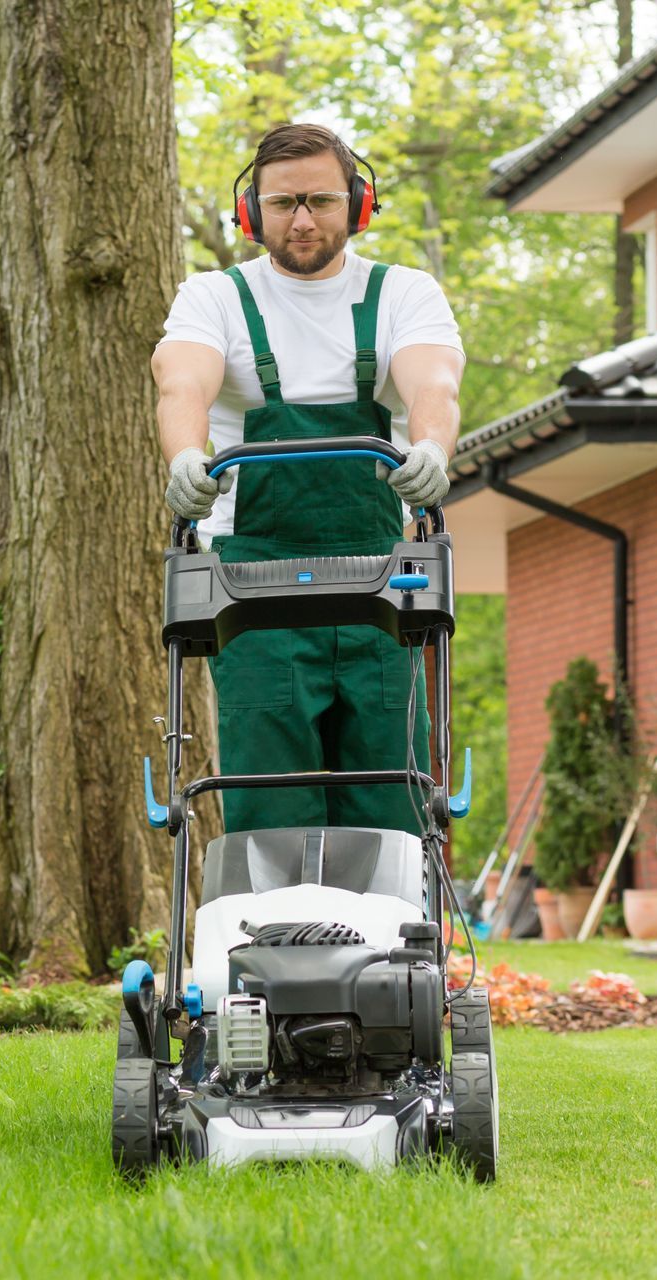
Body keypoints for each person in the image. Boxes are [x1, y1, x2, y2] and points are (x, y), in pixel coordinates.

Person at [152, 122, 465, 835]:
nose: (301, 220)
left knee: (391, 803)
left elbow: (434, 383)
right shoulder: (215, 298)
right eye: (282, 202)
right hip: (250, 598)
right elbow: (181, 383)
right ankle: (271, 911)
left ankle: (397, 910)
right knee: (270, 807)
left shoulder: (402, 294)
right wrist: (185, 458)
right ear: (251, 211)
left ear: (357, 203)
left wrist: (431, 449)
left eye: (320, 200)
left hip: (384, 590)